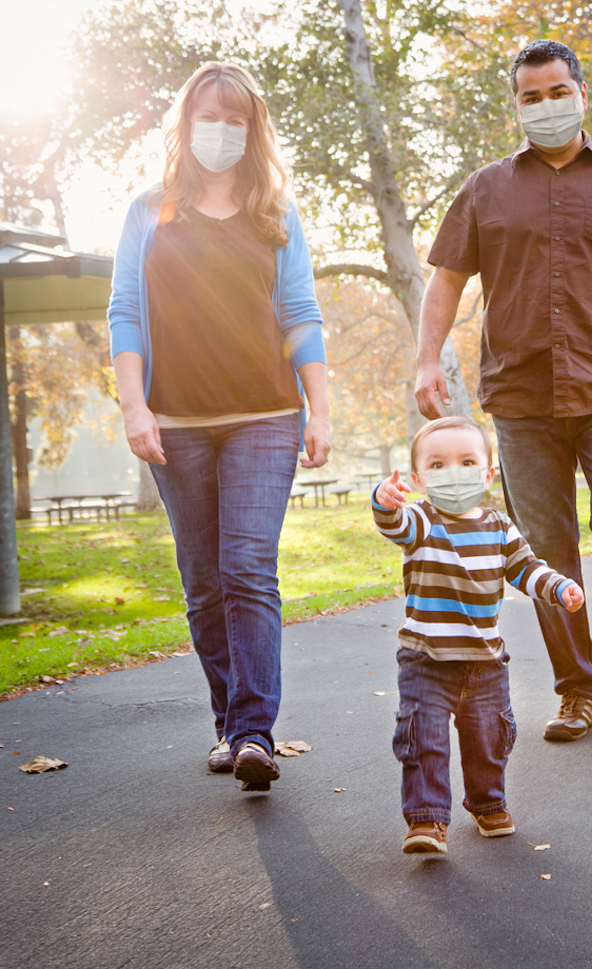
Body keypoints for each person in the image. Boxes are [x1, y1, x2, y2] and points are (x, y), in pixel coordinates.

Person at [415, 40, 592, 747]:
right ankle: (579, 689)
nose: (543, 106)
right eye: (529, 96)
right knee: (546, 552)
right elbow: (448, 278)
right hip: (520, 399)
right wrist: (428, 358)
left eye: (555, 92)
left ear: (580, 94)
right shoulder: (486, 189)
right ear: (515, 104)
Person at [107, 62, 330, 792]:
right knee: (204, 581)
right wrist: (135, 405)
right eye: (211, 116)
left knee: (245, 567)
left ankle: (254, 731)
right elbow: (126, 315)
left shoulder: (276, 213)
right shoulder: (148, 211)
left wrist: (319, 407)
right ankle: (229, 724)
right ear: (185, 122)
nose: (223, 132)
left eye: (237, 121)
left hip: (266, 415)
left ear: (253, 130)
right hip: (175, 422)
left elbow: (299, 314)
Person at [372, 416, 584, 854]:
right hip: (426, 660)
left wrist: (558, 586)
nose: (454, 473)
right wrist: (384, 501)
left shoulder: (498, 526)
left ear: (488, 473)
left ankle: (487, 802)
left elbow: (526, 569)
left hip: (484, 660)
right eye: (438, 464)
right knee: (423, 740)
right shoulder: (422, 520)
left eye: (468, 461)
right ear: (418, 478)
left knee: (488, 738)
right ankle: (427, 820)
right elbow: (394, 524)